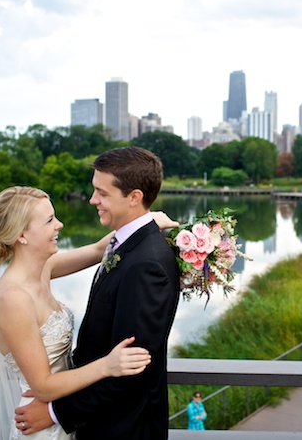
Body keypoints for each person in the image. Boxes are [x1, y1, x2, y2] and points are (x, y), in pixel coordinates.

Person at [0, 186, 178, 440]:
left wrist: (148, 220)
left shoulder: (44, 268)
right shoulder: (10, 298)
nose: (60, 224)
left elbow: (97, 250)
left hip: (70, 414)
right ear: (22, 234)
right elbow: (43, 386)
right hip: (42, 423)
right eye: (49, 221)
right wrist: (107, 365)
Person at [15, 147, 181, 439]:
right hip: (99, 419)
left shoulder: (148, 264)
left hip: (122, 429)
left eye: (101, 193)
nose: (93, 200)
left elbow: (133, 368)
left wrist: (56, 413)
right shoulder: (124, 242)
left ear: (134, 197)